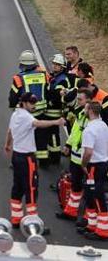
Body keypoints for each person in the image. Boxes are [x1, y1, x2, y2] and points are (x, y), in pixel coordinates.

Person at [5, 92, 66, 228]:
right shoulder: (27, 117)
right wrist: (56, 122)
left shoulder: (15, 114)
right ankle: (33, 223)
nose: (34, 105)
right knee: (31, 189)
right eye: (32, 103)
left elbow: (9, 131)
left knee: (17, 187)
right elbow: (38, 123)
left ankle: (16, 218)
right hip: (27, 158)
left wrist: (7, 144)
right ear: (24, 103)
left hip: (16, 156)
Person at [9, 50, 51, 165]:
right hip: (41, 111)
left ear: (22, 64)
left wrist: (14, 107)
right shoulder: (44, 75)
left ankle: (20, 161)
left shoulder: (18, 78)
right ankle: (43, 160)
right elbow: (48, 90)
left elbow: (13, 96)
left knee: (22, 137)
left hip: (26, 114)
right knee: (41, 137)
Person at [56, 88, 91, 223]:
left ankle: (89, 219)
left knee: (89, 189)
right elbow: (75, 132)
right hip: (76, 157)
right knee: (75, 186)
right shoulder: (80, 114)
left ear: (88, 101)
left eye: (80, 99)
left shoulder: (93, 119)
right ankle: (71, 212)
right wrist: (68, 145)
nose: (78, 101)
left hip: (87, 160)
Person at [79, 101, 108, 240]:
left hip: (93, 166)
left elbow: (88, 152)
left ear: (90, 110)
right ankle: (92, 225)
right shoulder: (103, 126)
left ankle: (102, 231)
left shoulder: (89, 130)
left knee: (96, 196)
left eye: (85, 108)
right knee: (92, 196)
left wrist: (83, 164)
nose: (83, 110)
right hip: (102, 163)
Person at [44, 54, 76, 164]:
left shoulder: (62, 80)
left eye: (56, 64)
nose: (54, 66)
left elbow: (56, 95)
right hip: (51, 109)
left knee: (53, 133)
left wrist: (48, 95)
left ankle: (55, 156)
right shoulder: (56, 77)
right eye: (54, 64)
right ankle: (53, 153)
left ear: (62, 67)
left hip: (54, 110)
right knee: (50, 133)